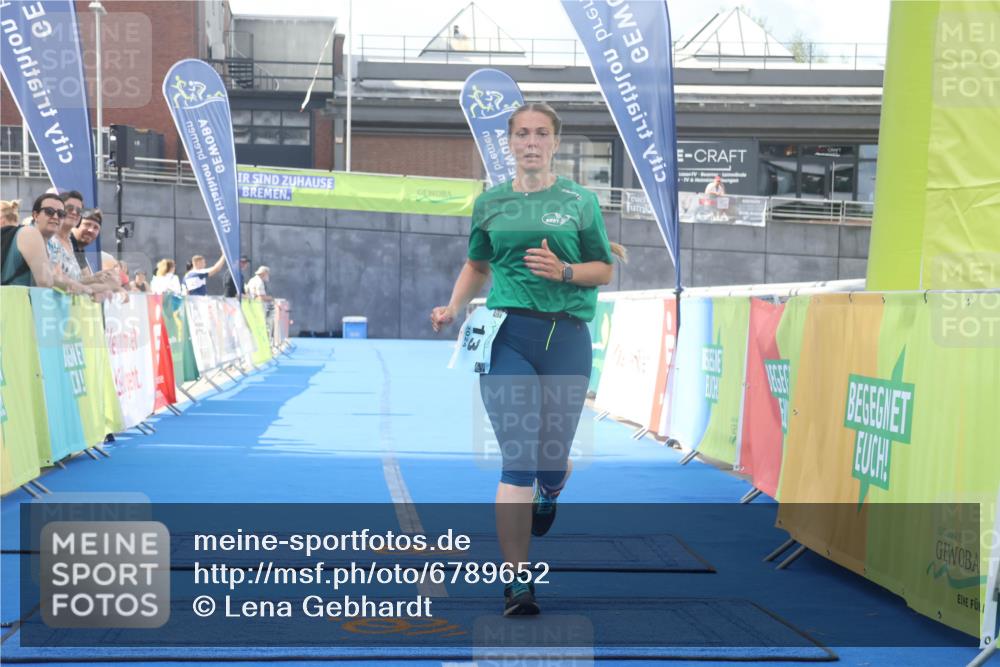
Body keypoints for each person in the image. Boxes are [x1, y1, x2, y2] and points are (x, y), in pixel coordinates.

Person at [429, 102, 625, 616]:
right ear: (510, 143)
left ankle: (552, 486)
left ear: (555, 143)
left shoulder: (580, 202)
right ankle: (517, 582)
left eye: (540, 134)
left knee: (550, 456)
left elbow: (603, 268)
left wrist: (564, 272)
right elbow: (477, 265)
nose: (531, 142)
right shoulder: (490, 203)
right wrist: (452, 307)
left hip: (566, 336)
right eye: (522, 134)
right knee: (517, 459)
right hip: (506, 336)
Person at [2, 193, 90, 294]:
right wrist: (86, 290)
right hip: (13, 302)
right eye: (49, 211)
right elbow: (45, 280)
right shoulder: (30, 233)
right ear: (36, 215)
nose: (56, 216)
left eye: (61, 214)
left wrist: (92, 283)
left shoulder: (47, 245)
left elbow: (55, 279)